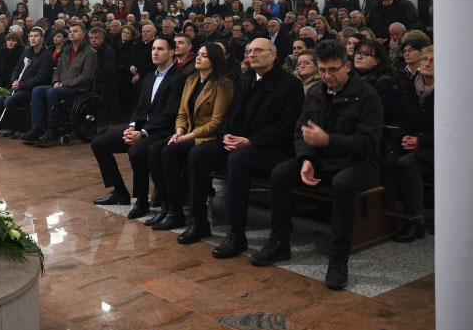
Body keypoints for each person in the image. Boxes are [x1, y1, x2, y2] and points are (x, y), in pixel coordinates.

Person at [251, 40, 382, 291]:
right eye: (322, 70)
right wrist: (306, 159)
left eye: (333, 70)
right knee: (280, 173)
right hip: (322, 159)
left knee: (343, 184)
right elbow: (301, 131)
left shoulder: (366, 96)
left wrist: (328, 140)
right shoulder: (315, 92)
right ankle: (279, 242)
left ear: (347, 66)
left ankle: (338, 258)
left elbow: (368, 143)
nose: (327, 76)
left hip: (358, 163)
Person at [183, 38, 303, 256]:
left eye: (258, 51)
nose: (252, 55)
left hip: (270, 148)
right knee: (200, 153)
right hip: (239, 142)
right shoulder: (246, 79)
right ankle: (199, 221)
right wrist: (226, 134)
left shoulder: (290, 84)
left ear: (273, 55)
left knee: (238, 160)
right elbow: (231, 113)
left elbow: (286, 126)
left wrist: (250, 141)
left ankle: (236, 233)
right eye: (249, 51)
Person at [91, 35, 186, 216]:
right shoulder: (149, 77)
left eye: (161, 49)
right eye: (153, 49)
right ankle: (120, 192)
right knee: (99, 144)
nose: (155, 52)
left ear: (171, 53)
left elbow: (170, 114)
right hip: (141, 127)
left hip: (162, 131)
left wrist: (142, 132)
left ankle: (141, 201)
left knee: (136, 152)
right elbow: (140, 106)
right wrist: (132, 126)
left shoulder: (178, 78)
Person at [148, 43, 232, 232]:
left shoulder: (223, 84)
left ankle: (176, 212)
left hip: (207, 137)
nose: (198, 58)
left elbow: (215, 123)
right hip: (187, 133)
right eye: (198, 54)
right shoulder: (191, 80)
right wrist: (179, 131)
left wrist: (186, 137)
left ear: (214, 60)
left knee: (169, 152)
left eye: (204, 55)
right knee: (154, 150)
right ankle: (167, 206)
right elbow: (182, 113)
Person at [383, 46, 433, 242]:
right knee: (388, 162)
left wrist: (421, 141)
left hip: (435, 147)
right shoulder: (409, 87)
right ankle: (386, 217)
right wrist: (402, 136)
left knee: (407, 163)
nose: (427, 63)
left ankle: (415, 221)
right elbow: (397, 118)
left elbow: (449, 127)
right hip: (410, 142)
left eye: (432, 61)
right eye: (425, 59)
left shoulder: (448, 92)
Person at [22, 22, 97, 145]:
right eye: (70, 31)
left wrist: (64, 84)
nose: (72, 34)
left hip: (78, 89)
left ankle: (53, 129)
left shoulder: (89, 52)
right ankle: (36, 127)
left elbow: (86, 77)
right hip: (61, 86)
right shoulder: (66, 50)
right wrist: (56, 81)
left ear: (83, 34)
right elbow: (57, 69)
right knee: (37, 90)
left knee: (52, 92)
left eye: (75, 31)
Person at [0, 27, 53, 138]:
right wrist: (14, 81)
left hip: (31, 88)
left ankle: (21, 127)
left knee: (9, 101)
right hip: (18, 85)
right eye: (31, 36)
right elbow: (17, 68)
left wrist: (21, 84)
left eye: (36, 36)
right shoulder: (27, 52)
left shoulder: (46, 55)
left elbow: (40, 77)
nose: (33, 38)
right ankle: (12, 126)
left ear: (42, 38)